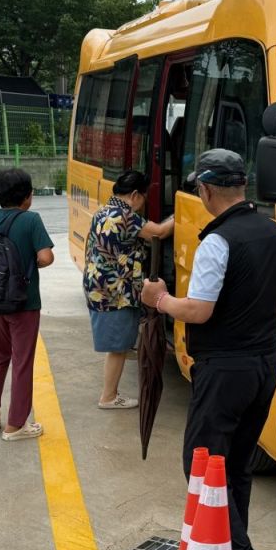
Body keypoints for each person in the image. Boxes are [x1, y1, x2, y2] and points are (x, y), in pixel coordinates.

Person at [140, 148, 276, 550]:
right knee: (237, 464)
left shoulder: (217, 241)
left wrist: (160, 300)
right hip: (266, 362)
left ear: (205, 190)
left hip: (225, 368)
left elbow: (199, 310)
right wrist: (265, 350)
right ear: (242, 186)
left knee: (202, 463)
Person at [0, 168, 55, 442]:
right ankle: (16, 425)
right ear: (28, 196)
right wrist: (28, 263)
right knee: (22, 362)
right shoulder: (31, 220)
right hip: (23, 303)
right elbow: (46, 257)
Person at [84, 170, 174, 409]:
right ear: (135, 194)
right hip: (116, 291)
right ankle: (109, 397)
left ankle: (109, 394)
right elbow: (159, 233)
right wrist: (181, 213)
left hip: (99, 284)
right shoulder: (125, 216)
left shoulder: (103, 211)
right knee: (118, 347)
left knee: (118, 343)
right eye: (144, 197)